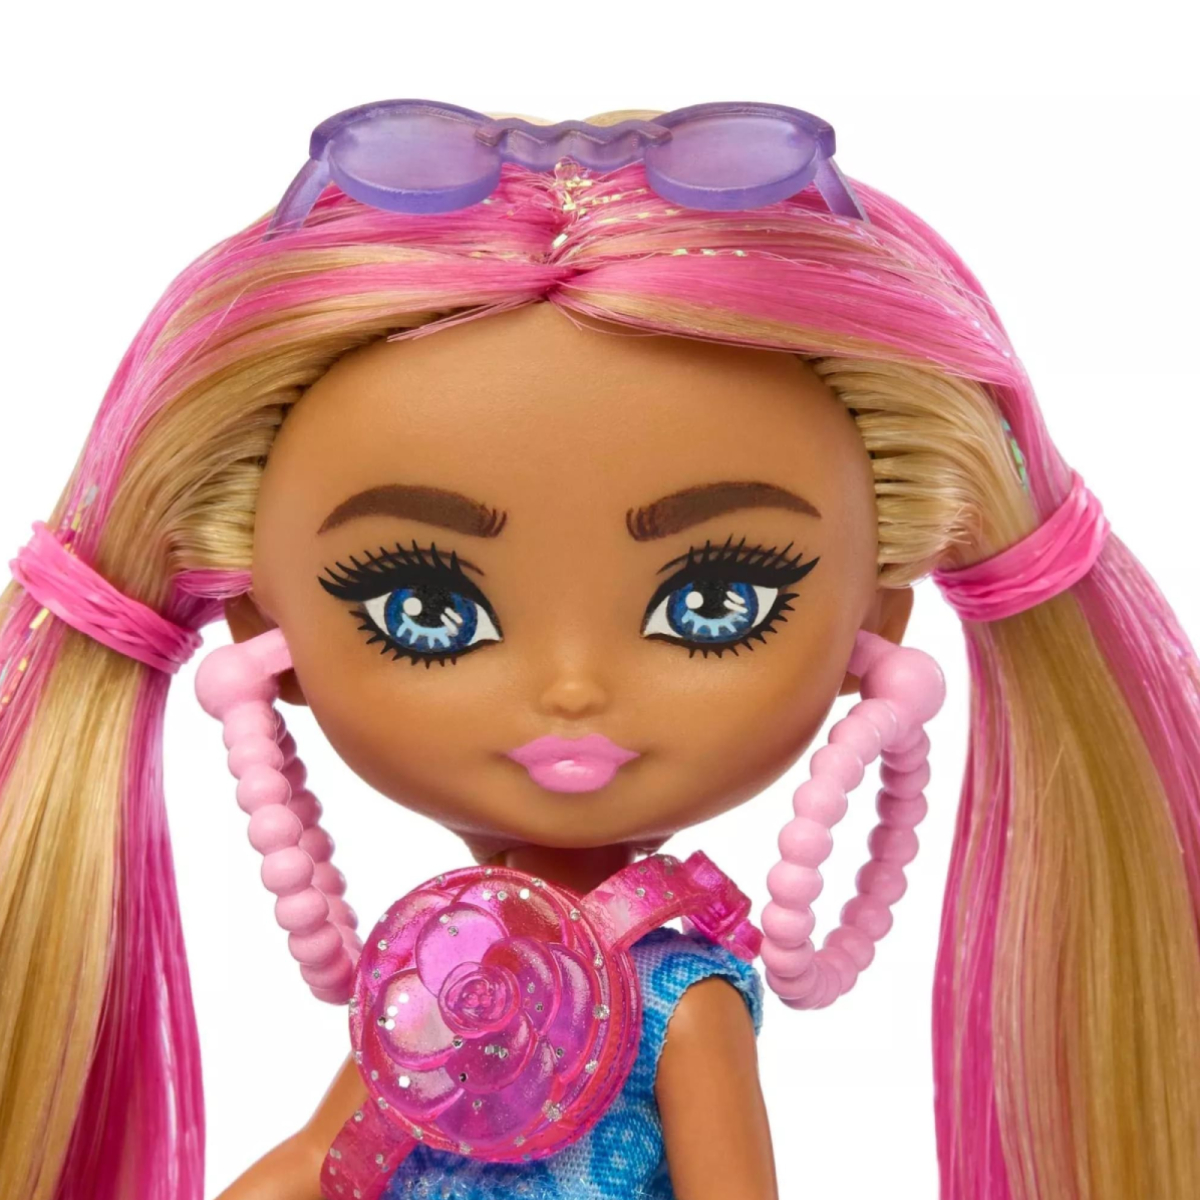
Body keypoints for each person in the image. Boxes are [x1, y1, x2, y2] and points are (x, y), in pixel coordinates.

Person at [1, 102, 1197, 1200]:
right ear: (269, 636)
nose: (572, 687)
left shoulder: (680, 994)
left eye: (715, 601)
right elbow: (330, 1155)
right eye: (425, 607)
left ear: (870, 625)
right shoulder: (442, 964)